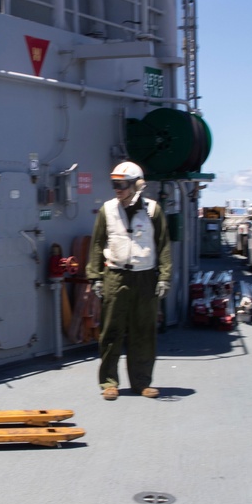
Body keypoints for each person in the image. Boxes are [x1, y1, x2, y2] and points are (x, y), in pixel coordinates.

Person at [85, 161, 172, 400]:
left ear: (137, 185)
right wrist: (96, 277)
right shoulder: (107, 210)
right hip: (116, 276)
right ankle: (109, 383)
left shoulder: (153, 211)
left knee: (143, 331)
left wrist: (164, 277)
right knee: (111, 331)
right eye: (114, 184)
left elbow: (163, 245)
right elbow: (97, 245)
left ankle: (141, 382)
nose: (117, 189)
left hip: (145, 278)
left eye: (122, 184)